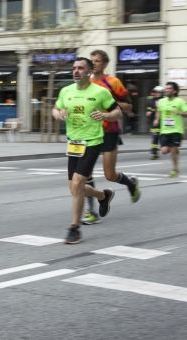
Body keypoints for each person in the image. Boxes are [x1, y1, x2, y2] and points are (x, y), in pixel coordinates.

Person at [52, 57, 122, 244]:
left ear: (89, 71)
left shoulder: (100, 92)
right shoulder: (65, 91)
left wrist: (106, 115)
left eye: (81, 68)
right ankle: (103, 195)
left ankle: (75, 228)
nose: (76, 71)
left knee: (77, 183)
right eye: (74, 68)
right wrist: (59, 114)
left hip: (92, 141)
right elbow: (56, 108)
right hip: (74, 143)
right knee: (74, 188)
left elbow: (118, 113)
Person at [81, 49, 141, 226]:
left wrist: (109, 104)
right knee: (85, 173)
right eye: (91, 61)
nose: (94, 64)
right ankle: (91, 211)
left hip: (109, 131)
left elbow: (128, 106)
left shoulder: (113, 82)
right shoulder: (85, 83)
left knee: (110, 174)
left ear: (105, 64)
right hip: (88, 132)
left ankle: (130, 184)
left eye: (97, 61)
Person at [154, 81, 187, 177]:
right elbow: (158, 111)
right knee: (164, 151)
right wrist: (156, 119)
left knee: (173, 149)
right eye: (166, 88)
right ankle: (175, 149)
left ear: (175, 91)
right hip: (164, 130)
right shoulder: (161, 101)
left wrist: (179, 113)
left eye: (169, 89)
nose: (167, 90)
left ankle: (174, 169)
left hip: (176, 130)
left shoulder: (180, 101)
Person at [146, 85, 164, 160]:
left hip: (163, 122)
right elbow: (148, 111)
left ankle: (171, 148)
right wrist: (150, 111)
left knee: (163, 137)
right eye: (155, 92)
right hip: (154, 122)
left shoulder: (164, 100)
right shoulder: (151, 100)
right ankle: (154, 153)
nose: (156, 93)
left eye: (158, 92)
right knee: (155, 137)